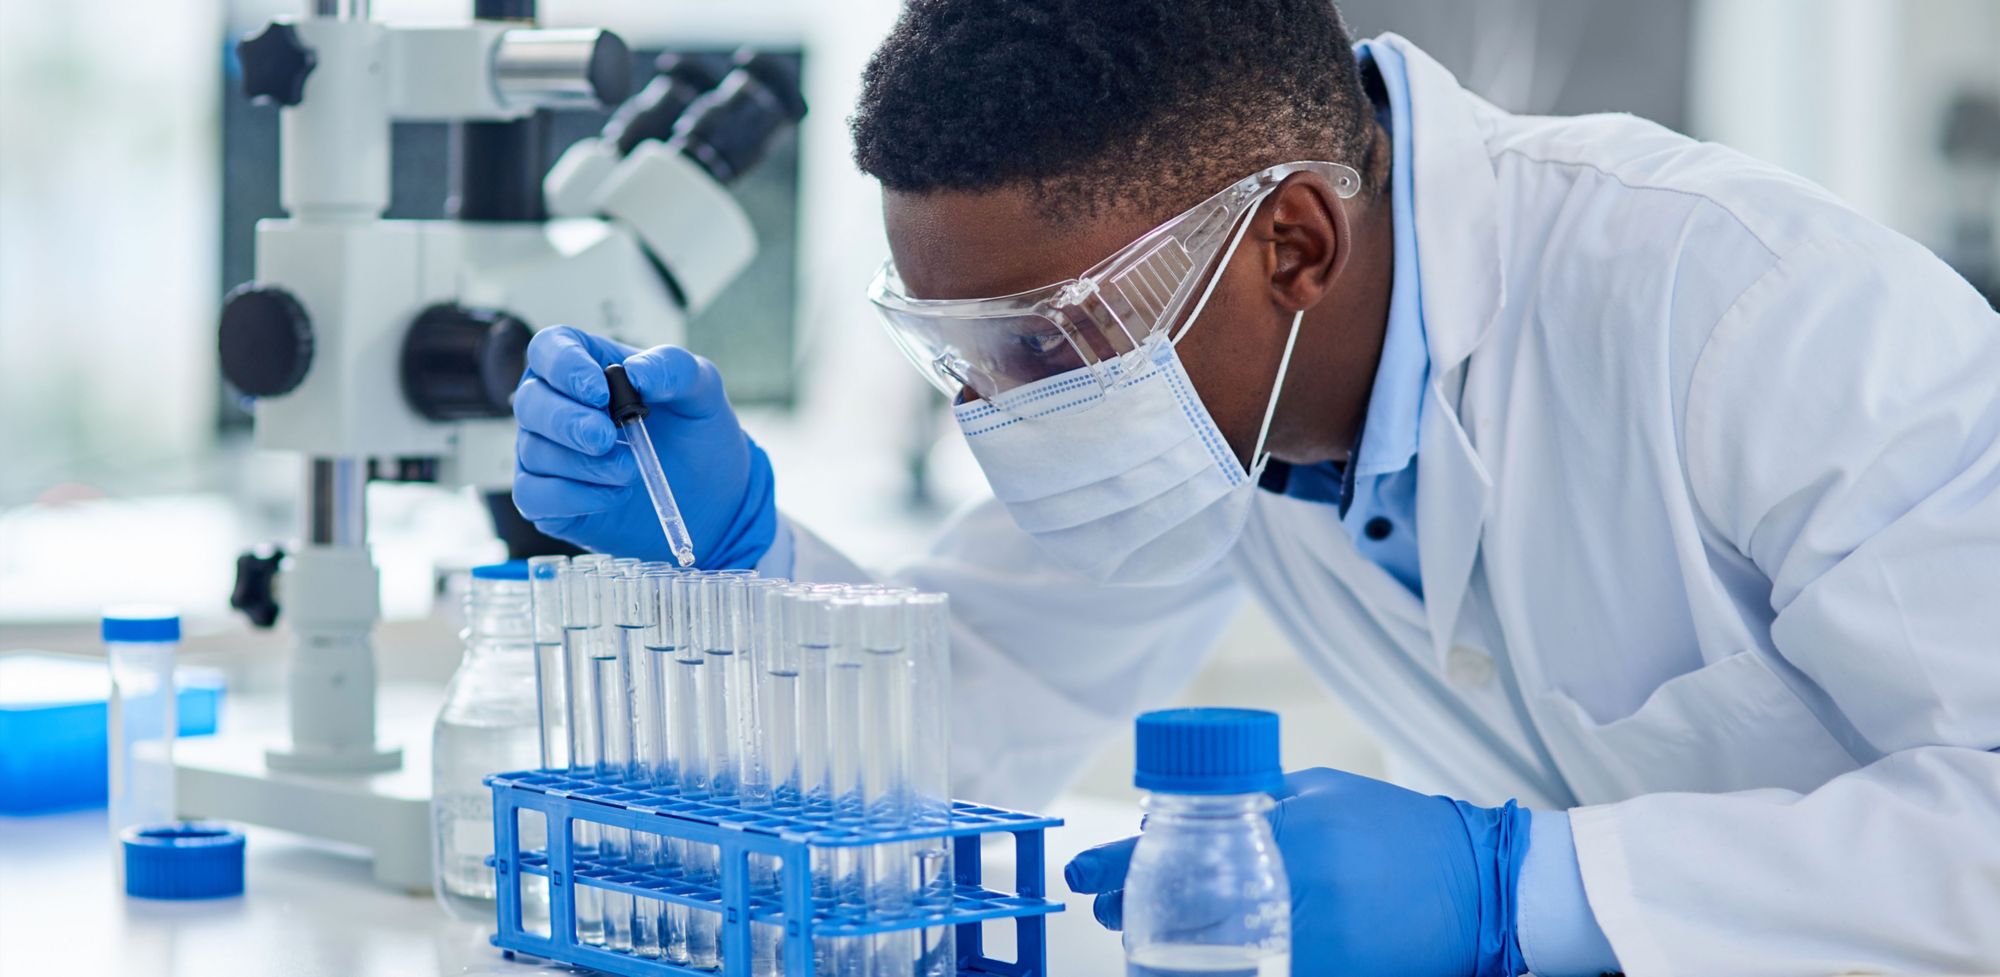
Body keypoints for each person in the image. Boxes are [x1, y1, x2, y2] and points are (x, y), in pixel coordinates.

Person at [507, 1, 2000, 974]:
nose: (1001, 411)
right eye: (961, 352)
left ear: (1292, 245)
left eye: (1044, 340)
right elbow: (977, 709)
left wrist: (1527, 887)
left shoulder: (1753, 311)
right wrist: (740, 556)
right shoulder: (1219, 407)